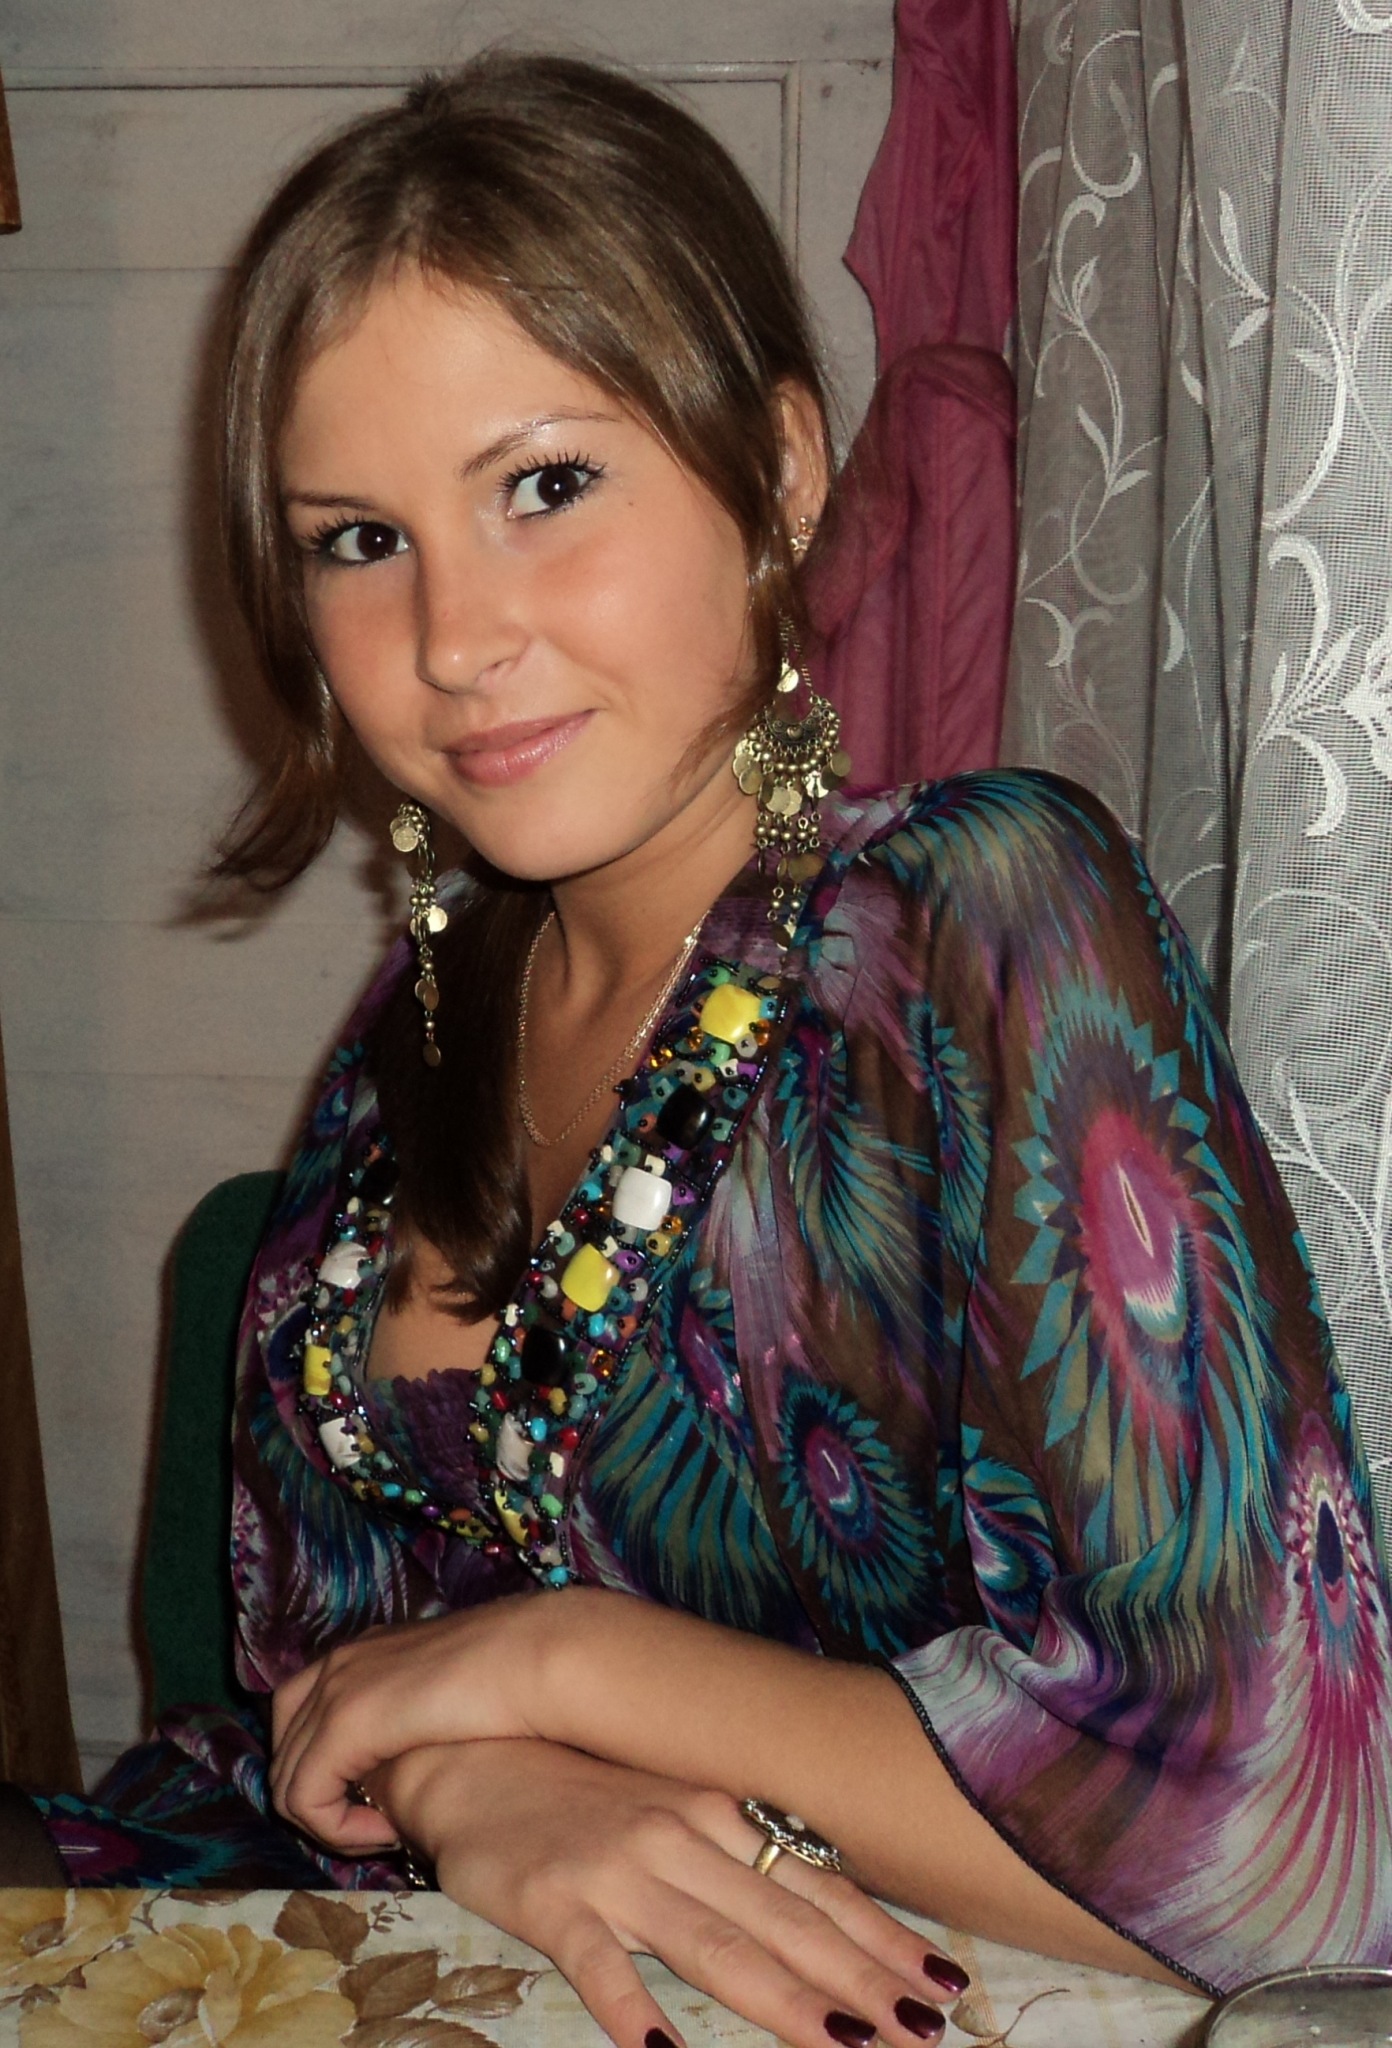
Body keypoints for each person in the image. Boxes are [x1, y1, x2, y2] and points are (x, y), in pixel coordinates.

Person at [17, 50, 1392, 2047]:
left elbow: (1289, 1853)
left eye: (544, 485)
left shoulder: (978, 924)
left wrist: (563, 1666)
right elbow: (321, 1702)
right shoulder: (413, 1024)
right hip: (328, 1931)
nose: (455, 636)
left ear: (782, 469)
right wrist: (474, 1784)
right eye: (358, 539)